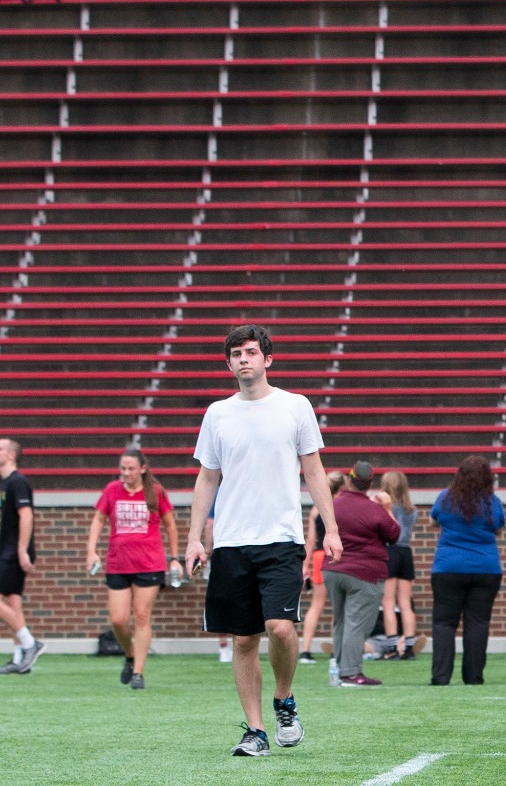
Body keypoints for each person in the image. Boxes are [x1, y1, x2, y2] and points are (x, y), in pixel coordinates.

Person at [185, 323, 343, 758]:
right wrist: (195, 538)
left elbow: (313, 470)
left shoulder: (295, 406)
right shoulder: (218, 413)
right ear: (230, 362)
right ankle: (255, 731)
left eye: (251, 352)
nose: (243, 360)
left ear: (267, 359)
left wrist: (330, 528)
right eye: (236, 354)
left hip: (281, 538)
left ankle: (284, 699)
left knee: (280, 627)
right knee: (243, 639)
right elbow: (207, 477)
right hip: (233, 541)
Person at [85, 448, 182, 690]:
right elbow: (98, 519)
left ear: (142, 468)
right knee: (118, 620)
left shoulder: (155, 491)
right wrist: (91, 550)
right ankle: (130, 655)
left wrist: (175, 558)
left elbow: (170, 524)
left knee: (141, 616)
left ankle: (138, 672)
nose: (126, 473)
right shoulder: (112, 490)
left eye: (130, 469)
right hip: (118, 562)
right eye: (123, 469)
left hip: (149, 563)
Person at [429, 455, 505, 685]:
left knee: (444, 622)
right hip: (486, 567)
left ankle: (441, 676)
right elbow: (498, 529)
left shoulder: (445, 498)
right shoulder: (493, 502)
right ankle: (473, 676)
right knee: (478, 623)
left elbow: (435, 521)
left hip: (448, 567)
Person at [323, 461, 399, 687]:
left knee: (341, 621)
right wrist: (387, 508)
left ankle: (338, 670)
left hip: (333, 569)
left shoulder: (332, 504)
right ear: (370, 483)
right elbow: (394, 534)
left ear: (349, 479)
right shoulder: (374, 509)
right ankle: (350, 673)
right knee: (356, 623)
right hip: (364, 572)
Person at [0, 438, 43, 675]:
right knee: (13, 603)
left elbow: (26, 516)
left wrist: (21, 550)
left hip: (14, 551)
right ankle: (20, 659)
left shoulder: (18, 481)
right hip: (7, 549)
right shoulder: (6, 482)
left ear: (11, 455)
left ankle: (29, 643)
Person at [299, 470, 344, 665]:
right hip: (334, 555)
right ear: (342, 488)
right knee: (339, 606)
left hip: (318, 556)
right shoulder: (339, 507)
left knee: (316, 605)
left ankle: (305, 650)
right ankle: (338, 649)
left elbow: (310, 540)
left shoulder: (317, 508)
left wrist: (305, 565)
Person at [377, 470, 418, 660]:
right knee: (405, 603)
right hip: (406, 552)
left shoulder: (382, 508)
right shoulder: (412, 510)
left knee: (388, 603)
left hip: (389, 551)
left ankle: (392, 646)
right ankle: (409, 646)